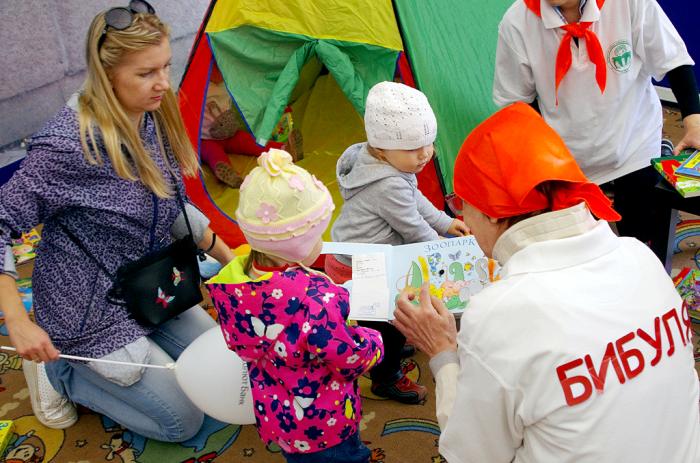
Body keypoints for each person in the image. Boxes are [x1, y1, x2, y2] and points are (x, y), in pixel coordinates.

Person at [392, 102, 700, 462]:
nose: (466, 223)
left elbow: (470, 454)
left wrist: (443, 351)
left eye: (462, 205)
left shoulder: (498, 313)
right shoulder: (640, 256)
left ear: (492, 213)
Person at [0, 1, 234, 441]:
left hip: (150, 283)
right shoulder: (66, 148)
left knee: (226, 359)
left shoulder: (151, 116)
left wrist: (232, 261)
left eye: (165, 66)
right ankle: (59, 373)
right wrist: (17, 319)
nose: (163, 83)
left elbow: (173, 205)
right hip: (88, 312)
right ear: (107, 77)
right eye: (146, 73)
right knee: (181, 421)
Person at [207, 148, 383, 463]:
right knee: (346, 457)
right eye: (317, 235)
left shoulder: (231, 285)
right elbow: (351, 358)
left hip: (280, 416)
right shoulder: (314, 302)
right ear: (298, 244)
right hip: (325, 421)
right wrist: (374, 340)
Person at [493, 0, 700, 245]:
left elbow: (673, 59)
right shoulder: (517, 22)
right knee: (580, 248)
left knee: (642, 236)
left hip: (634, 142)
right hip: (569, 157)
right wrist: (542, 160)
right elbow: (516, 103)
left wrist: (694, 121)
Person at [324, 81, 469, 404]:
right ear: (380, 148)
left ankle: (391, 339)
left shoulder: (390, 166)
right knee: (385, 329)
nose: (424, 155)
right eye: (412, 148)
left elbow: (415, 198)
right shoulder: (387, 183)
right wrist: (443, 252)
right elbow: (413, 228)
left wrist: (446, 222)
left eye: (428, 144)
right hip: (361, 269)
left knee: (390, 318)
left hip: (369, 258)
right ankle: (385, 377)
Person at [199, 64, 289, 188]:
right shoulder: (201, 86)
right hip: (206, 139)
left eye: (221, 67)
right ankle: (227, 174)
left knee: (249, 141)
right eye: (216, 69)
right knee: (213, 153)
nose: (221, 73)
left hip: (230, 134)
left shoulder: (226, 81)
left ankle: (284, 149)